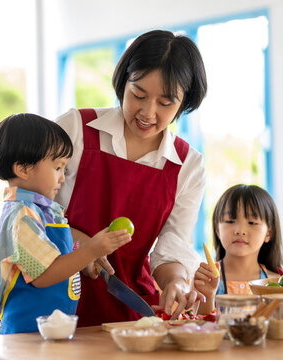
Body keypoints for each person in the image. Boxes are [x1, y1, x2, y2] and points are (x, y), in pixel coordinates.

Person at [55, 29, 208, 326]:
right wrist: (81, 246)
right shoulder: (75, 129)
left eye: (165, 103)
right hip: (54, 304)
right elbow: (28, 210)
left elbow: (173, 243)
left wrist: (176, 281)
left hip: (128, 313)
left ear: (184, 103)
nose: (148, 112)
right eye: (138, 94)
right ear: (123, 81)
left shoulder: (187, 165)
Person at [0, 113, 131, 334]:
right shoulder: (22, 215)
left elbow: (58, 258)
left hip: (48, 333)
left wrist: (85, 262)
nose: (63, 177)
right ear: (23, 169)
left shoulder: (44, 211)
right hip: (25, 336)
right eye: (58, 167)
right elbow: (44, 276)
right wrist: (92, 250)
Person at [194, 184, 283, 308]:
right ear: (217, 229)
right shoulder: (202, 281)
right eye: (230, 221)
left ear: (269, 233)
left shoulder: (278, 283)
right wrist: (208, 296)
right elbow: (199, 325)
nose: (240, 230)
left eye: (252, 222)